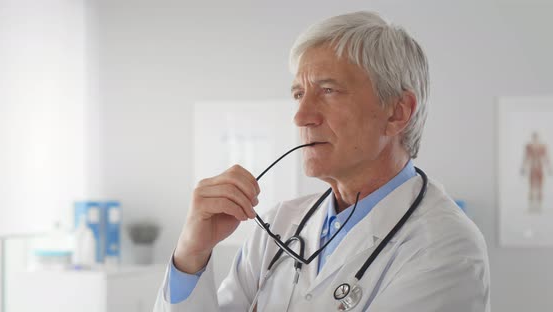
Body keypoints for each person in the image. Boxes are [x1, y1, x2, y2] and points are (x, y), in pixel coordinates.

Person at [154, 11, 490, 312]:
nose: (301, 116)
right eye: (299, 94)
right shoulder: (279, 226)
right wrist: (191, 254)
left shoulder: (447, 248)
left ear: (397, 112)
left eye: (328, 90)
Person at [521, 131, 551, 213]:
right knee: (531, 187)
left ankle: (539, 206)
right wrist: (523, 167)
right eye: (534, 138)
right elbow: (526, 157)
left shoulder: (542, 147)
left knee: (540, 187)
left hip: (539, 168)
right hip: (532, 168)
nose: (535, 139)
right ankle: (531, 206)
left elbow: (546, 158)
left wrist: (549, 168)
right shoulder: (529, 147)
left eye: (536, 138)